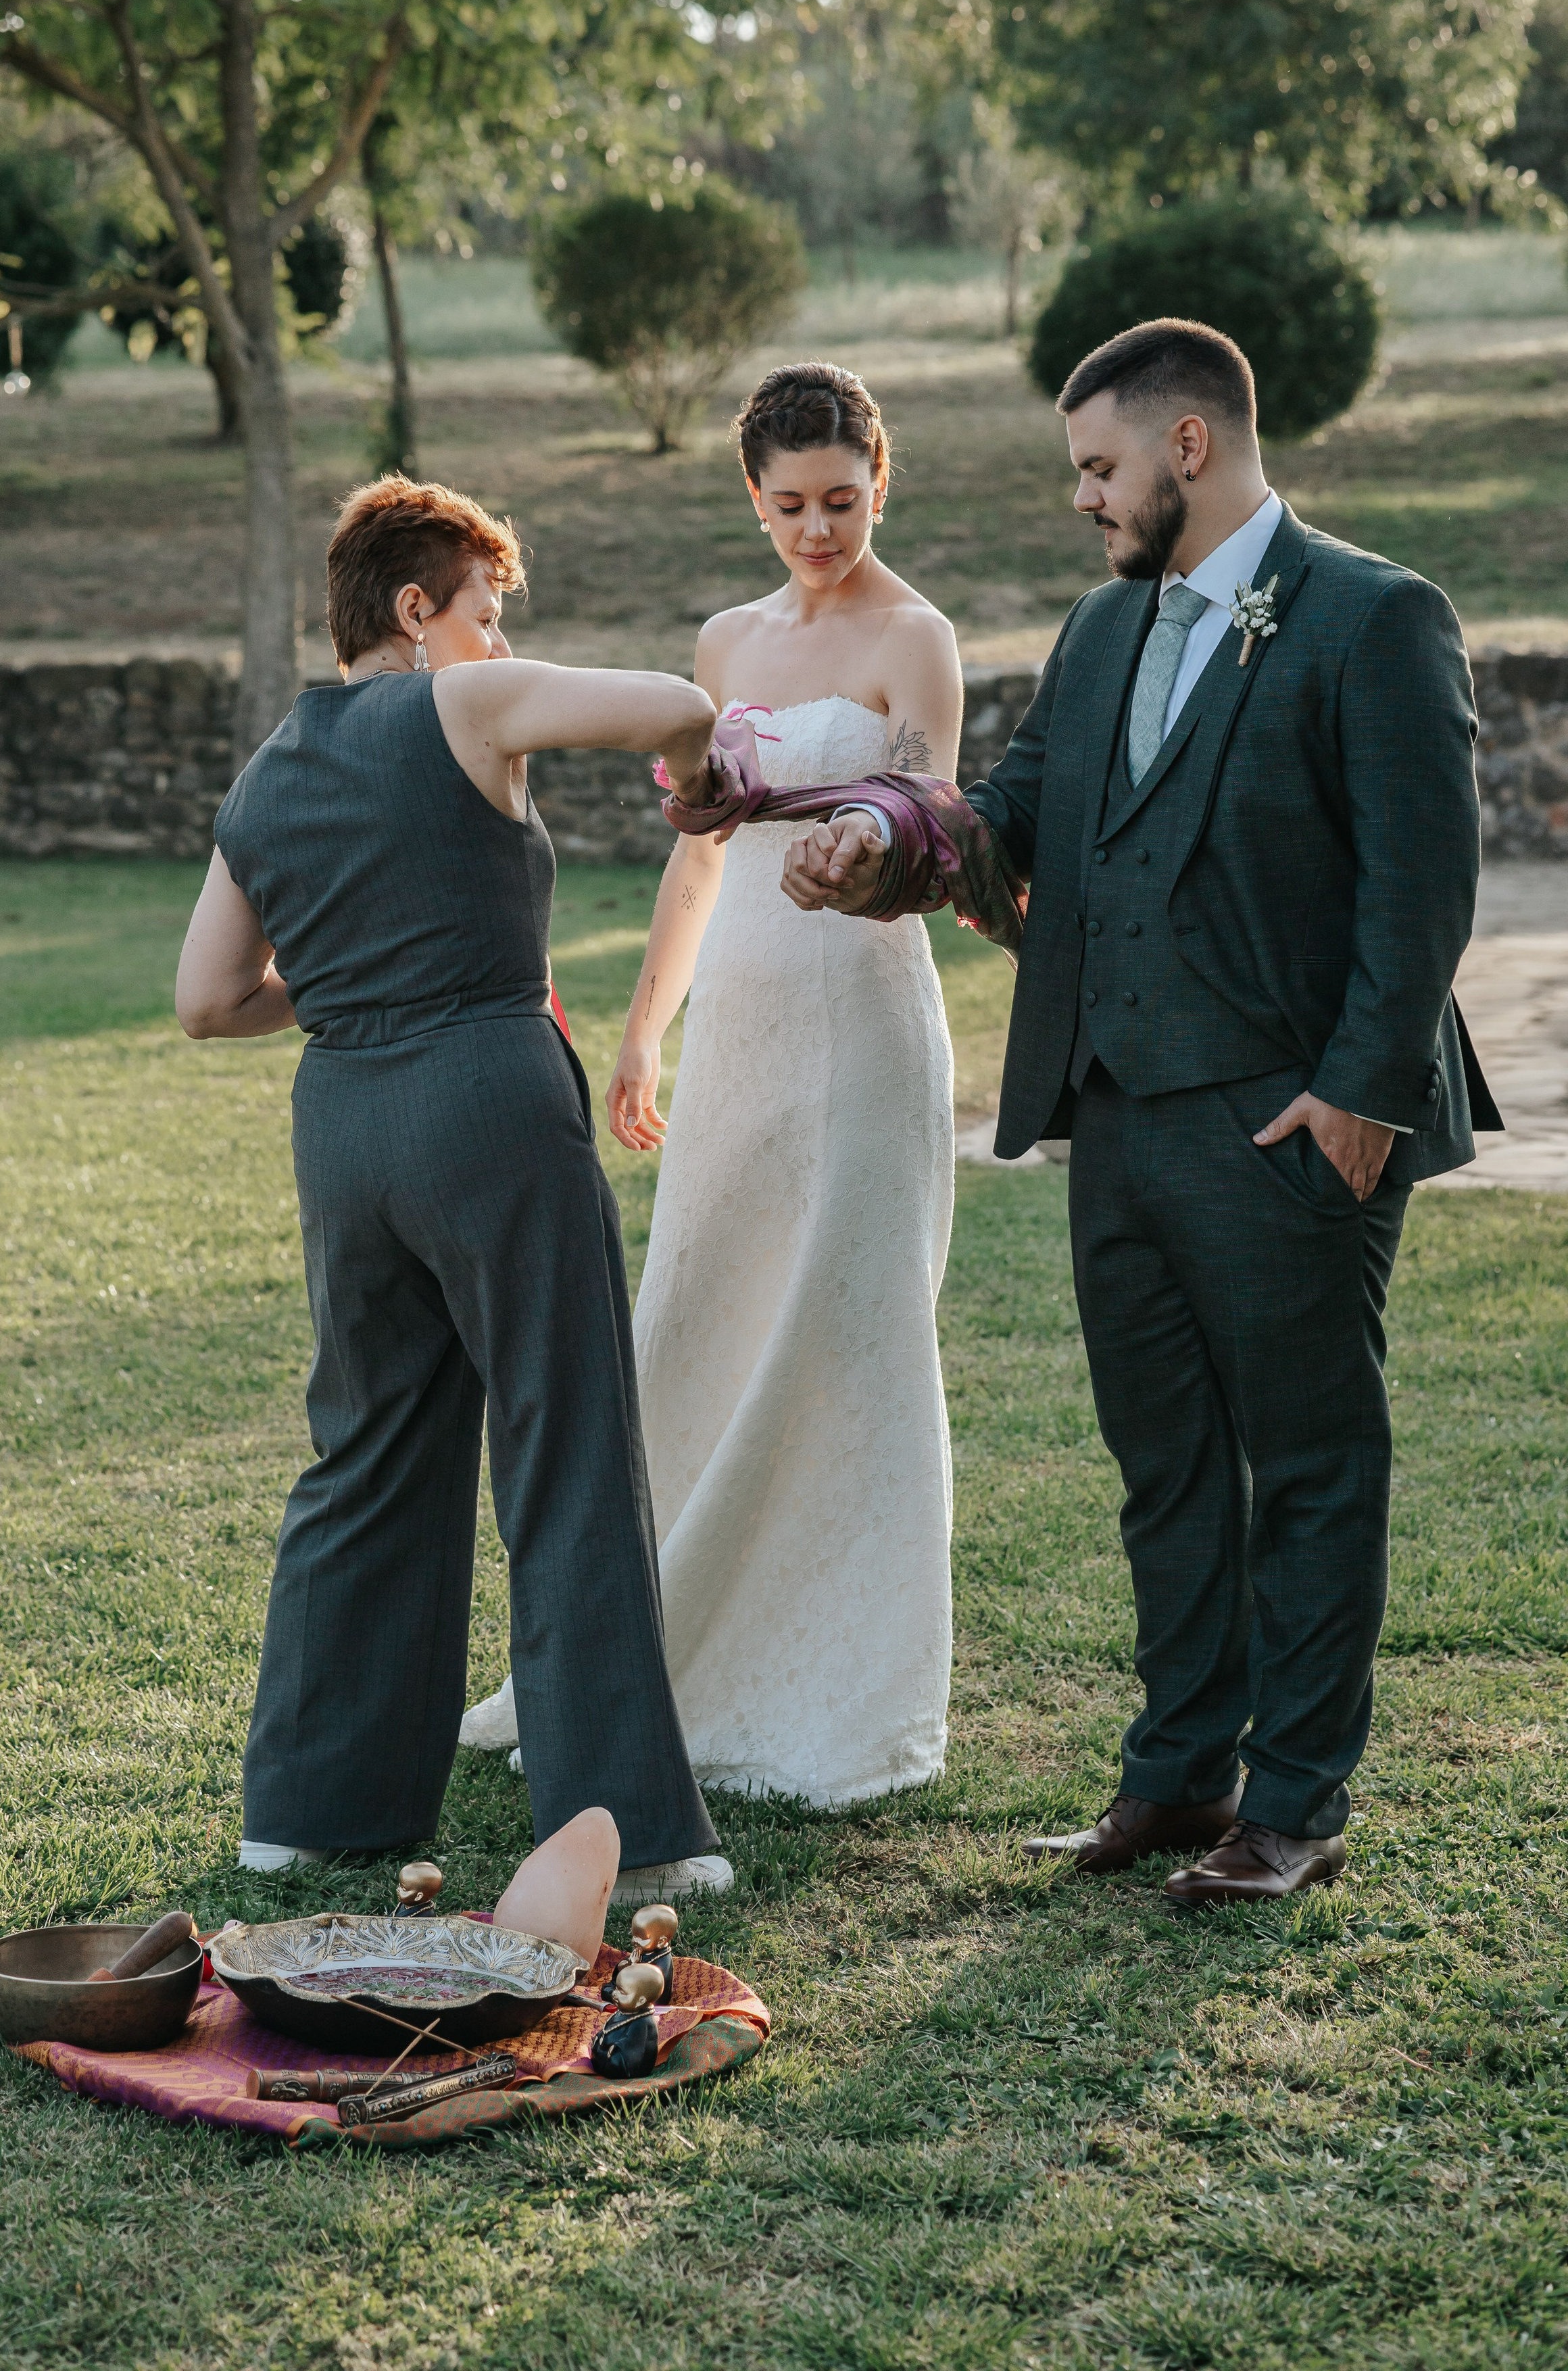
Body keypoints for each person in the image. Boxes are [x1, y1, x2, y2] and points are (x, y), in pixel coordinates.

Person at [784, 320, 1499, 1903]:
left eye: (1098, 467)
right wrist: (880, 841)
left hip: (1290, 1124)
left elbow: (1419, 879)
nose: (1083, 498)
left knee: (1306, 1466)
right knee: (1163, 1466)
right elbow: (1014, 811)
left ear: (1189, 445)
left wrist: (1358, 1097)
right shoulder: (1104, 627)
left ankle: (1292, 1806)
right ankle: (1176, 1783)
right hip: (1111, 1115)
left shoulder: (1373, 616)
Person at [174, 474, 730, 1905]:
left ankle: (309, 1813)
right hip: (488, 1100)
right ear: (416, 609)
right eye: (487, 612)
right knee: (566, 1448)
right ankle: (628, 1832)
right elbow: (675, 700)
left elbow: (207, 1000)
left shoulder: (268, 769)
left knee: (363, 1453)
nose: (498, 641)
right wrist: (700, 778)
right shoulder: (465, 703)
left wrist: (347, 989)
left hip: (344, 1127)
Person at [462, 364, 963, 1804]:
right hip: (741, 1009)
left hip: (861, 1013)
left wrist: (869, 848)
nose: (818, 530)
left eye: (843, 501)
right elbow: (697, 855)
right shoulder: (724, 643)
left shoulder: (916, 638)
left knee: (852, 1332)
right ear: (752, 497)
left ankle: (838, 1691)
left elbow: (930, 820)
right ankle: (652, 1654)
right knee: (695, 1313)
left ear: (880, 482)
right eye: (790, 505)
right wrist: (643, 1032)